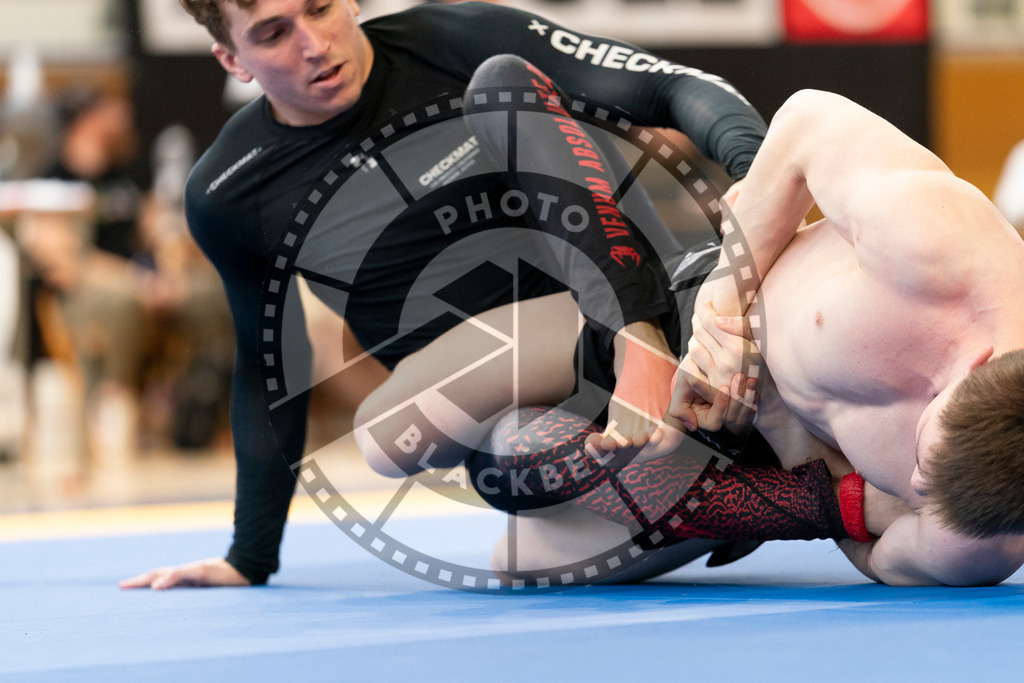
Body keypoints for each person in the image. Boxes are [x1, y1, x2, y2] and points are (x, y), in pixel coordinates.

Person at [120, 0, 769, 589]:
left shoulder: (452, 39)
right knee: (514, 532)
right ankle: (765, 494)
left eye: (319, 9)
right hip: (531, 391)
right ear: (233, 60)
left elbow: (677, 86)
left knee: (383, 431)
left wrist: (761, 187)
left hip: (648, 304)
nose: (314, 43)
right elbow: (268, 368)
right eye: (273, 33)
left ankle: (643, 343)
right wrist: (248, 554)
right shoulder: (230, 193)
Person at [587, 89, 1024, 587]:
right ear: (975, 367)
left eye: (929, 496)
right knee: (500, 69)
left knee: (524, 545)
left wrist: (783, 431)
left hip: (778, 472)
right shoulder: (939, 245)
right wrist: (721, 308)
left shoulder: (976, 542)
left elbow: (877, 559)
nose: (917, 485)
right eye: (925, 459)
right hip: (732, 282)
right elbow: (805, 119)